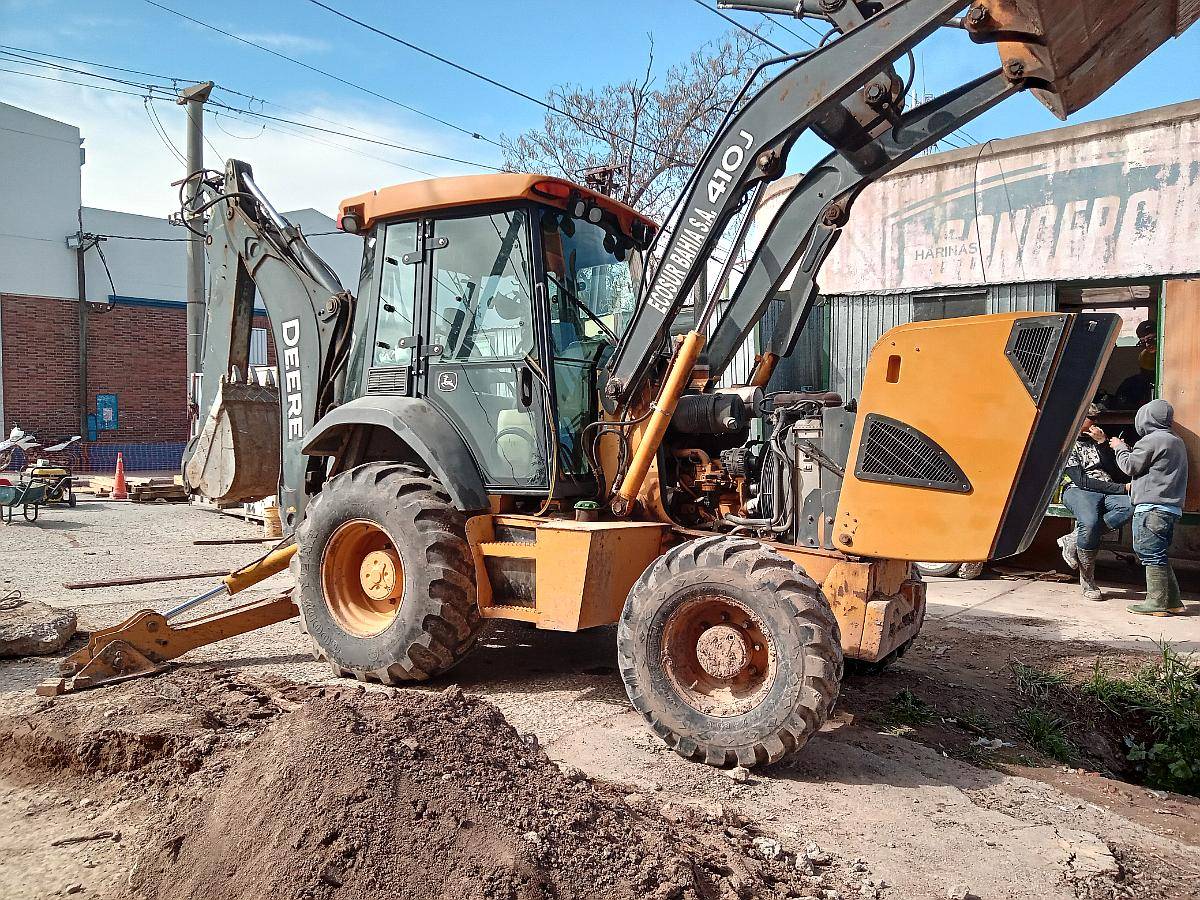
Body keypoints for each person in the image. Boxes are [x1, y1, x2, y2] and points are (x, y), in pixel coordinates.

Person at [1109, 398, 1189, 616]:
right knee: (1157, 553)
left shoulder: (1151, 440)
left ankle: (1156, 603)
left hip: (1151, 508)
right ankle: (1172, 601)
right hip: (1169, 508)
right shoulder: (1176, 440)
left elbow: (1129, 466)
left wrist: (1120, 448)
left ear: (1145, 418)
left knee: (1149, 553)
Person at [1056, 404, 1133, 600]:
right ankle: (1088, 580)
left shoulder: (1098, 440)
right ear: (1079, 419)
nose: (1095, 423)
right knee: (1089, 522)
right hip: (1078, 490)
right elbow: (1082, 481)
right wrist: (1121, 489)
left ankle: (1072, 539)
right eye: (1092, 419)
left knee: (1130, 506)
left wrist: (1102, 444)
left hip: (1107, 488)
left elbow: (1116, 472)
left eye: (1097, 419)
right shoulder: (1067, 442)